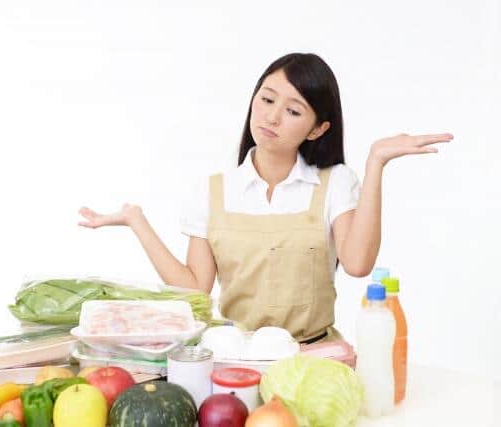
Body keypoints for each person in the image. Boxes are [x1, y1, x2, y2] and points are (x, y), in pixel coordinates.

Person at [78, 53, 452, 344]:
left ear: (317, 129)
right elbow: (194, 289)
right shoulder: (211, 191)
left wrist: (376, 162)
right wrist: (137, 222)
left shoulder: (335, 182)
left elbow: (357, 263)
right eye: (267, 99)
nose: (272, 117)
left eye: (293, 111)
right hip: (235, 357)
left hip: (313, 356)